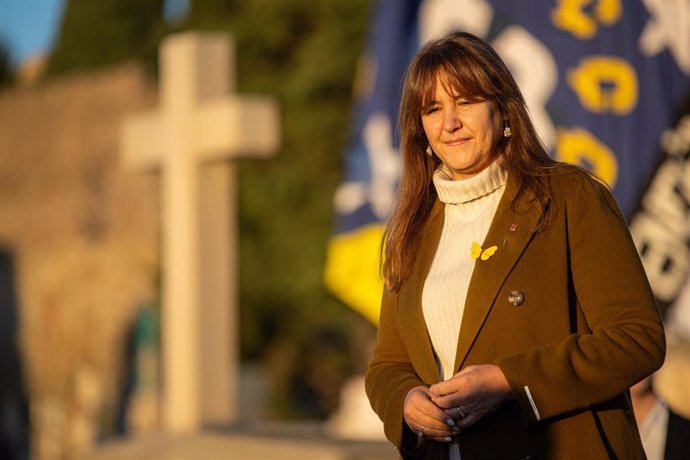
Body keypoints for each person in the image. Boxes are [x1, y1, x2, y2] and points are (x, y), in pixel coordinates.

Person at [364, 31, 666, 460]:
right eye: (433, 109)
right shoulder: (411, 225)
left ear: (504, 110)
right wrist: (407, 404)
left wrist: (507, 381)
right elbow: (386, 366)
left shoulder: (568, 196)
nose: (449, 123)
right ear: (421, 129)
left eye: (465, 102)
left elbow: (638, 339)